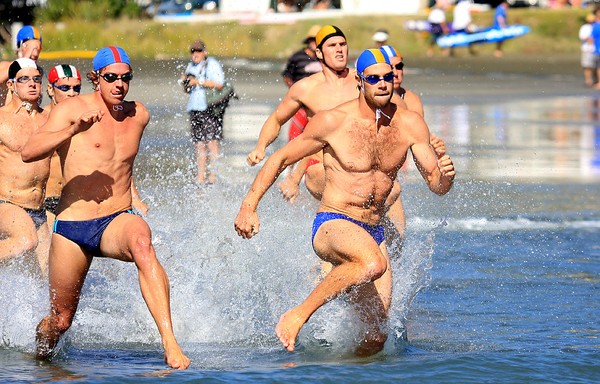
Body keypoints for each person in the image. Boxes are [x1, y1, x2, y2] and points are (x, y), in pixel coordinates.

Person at [234, 48, 455, 356]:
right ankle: (298, 313)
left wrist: (446, 176)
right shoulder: (334, 121)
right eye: (374, 78)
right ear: (359, 82)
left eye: (387, 77)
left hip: (373, 230)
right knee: (373, 263)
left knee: (376, 337)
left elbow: (436, 184)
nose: (382, 83)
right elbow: (281, 157)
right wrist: (249, 205)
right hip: (334, 223)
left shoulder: (410, 124)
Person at [21, 46, 190, 369]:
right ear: (95, 78)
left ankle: (170, 342)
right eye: (111, 77)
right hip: (73, 227)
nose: (119, 84)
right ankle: (38, 359)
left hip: (116, 219)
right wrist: (72, 130)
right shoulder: (72, 110)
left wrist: (135, 196)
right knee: (61, 320)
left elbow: (120, 162)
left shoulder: (139, 114)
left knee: (143, 244)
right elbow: (29, 151)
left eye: (126, 77)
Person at [0, 58, 51, 275]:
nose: (32, 84)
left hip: (38, 211)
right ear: (11, 85)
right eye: (24, 79)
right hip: (7, 204)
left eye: (36, 79)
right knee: (25, 240)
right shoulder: (1, 118)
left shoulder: (49, 118)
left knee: (47, 279)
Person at [180, 40, 225, 185]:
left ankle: (213, 174)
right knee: (198, 142)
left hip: (209, 107)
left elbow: (219, 83)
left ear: (204, 52)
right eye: (193, 51)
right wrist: (186, 83)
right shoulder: (190, 66)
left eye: (198, 51)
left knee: (212, 141)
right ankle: (200, 175)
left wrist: (197, 82)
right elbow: (187, 90)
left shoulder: (211, 63)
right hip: (194, 107)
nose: (195, 54)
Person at [281, 25, 323, 142]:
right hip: (301, 103)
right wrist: (295, 90)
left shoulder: (324, 58)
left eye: (319, 41)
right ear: (308, 41)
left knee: (318, 136)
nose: (316, 43)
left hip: (320, 102)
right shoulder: (297, 57)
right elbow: (287, 76)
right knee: (295, 136)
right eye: (313, 40)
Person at [0, 25, 43, 106]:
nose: (35, 53)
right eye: (30, 47)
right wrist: (23, 61)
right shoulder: (5, 66)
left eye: (38, 48)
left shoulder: (38, 73)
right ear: (19, 47)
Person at [580, 13, 597, 87]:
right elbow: (583, 37)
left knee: (596, 66)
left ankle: (595, 80)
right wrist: (591, 39)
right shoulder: (585, 27)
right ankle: (588, 80)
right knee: (587, 66)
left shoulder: (596, 26)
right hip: (587, 49)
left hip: (596, 49)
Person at [591, 6, 600, 89]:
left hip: (598, 49)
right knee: (597, 67)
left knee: (598, 67)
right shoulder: (595, 25)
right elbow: (592, 38)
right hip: (597, 49)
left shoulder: (595, 25)